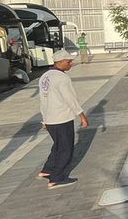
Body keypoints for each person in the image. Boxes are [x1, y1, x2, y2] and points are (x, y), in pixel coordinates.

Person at [38, 50, 89, 189]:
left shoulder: (45, 77)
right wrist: (82, 116)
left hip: (50, 118)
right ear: (60, 62)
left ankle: (47, 170)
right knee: (66, 149)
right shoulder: (62, 78)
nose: (70, 64)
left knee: (58, 145)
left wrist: (44, 119)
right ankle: (57, 178)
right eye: (68, 62)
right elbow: (71, 99)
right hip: (61, 118)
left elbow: (43, 100)